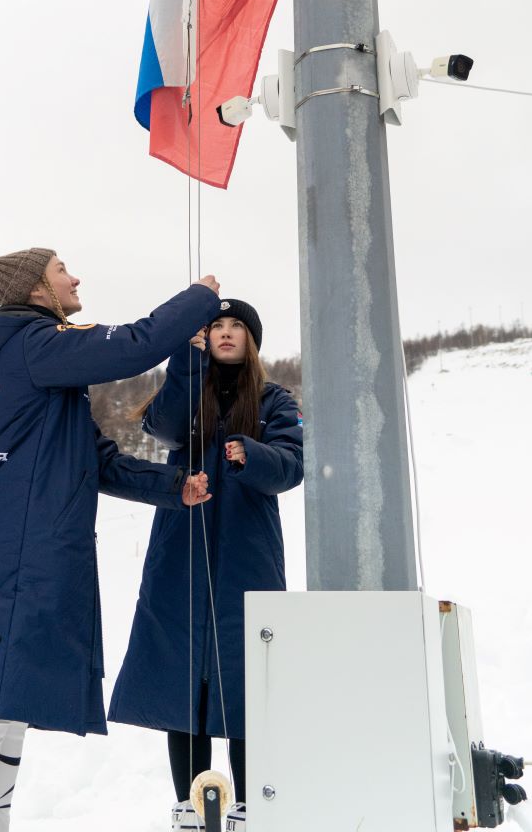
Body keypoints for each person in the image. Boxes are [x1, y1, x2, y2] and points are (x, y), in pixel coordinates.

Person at [0, 247, 222, 832]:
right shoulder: (34, 344)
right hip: (14, 548)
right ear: (38, 292)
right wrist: (199, 299)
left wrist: (174, 487)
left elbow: (98, 461)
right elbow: (132, 344)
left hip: (19, 544)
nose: (75, 278)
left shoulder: (34, 360)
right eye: (62, 270)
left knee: (5, 708)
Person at [108, 300, 303, 830]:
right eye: (215, 326)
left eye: (235, 325)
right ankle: (191, 806)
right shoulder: (184, 391)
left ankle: (247, 806)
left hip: (249, 557)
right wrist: (184, 361)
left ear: (251, 339)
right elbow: (166, 427)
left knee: (244, 678)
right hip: (180, 551)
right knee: (183, 674)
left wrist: (252, 455)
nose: (224, 333)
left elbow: (291, 467)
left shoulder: (272, 400)